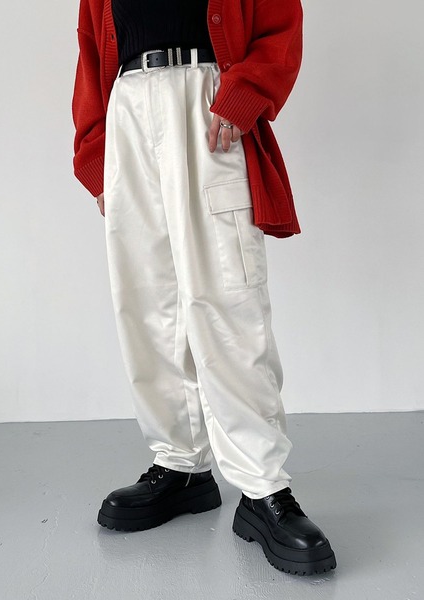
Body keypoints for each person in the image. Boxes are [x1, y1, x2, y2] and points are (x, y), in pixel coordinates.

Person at [72, 0, 337, 576]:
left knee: (227, 298)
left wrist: (241, 98)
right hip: (128, 111)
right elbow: (91, 53)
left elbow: (279, 25)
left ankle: (263, 486)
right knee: (147, 301)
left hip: (206, 103)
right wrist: (96, 154)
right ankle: (181, 464)